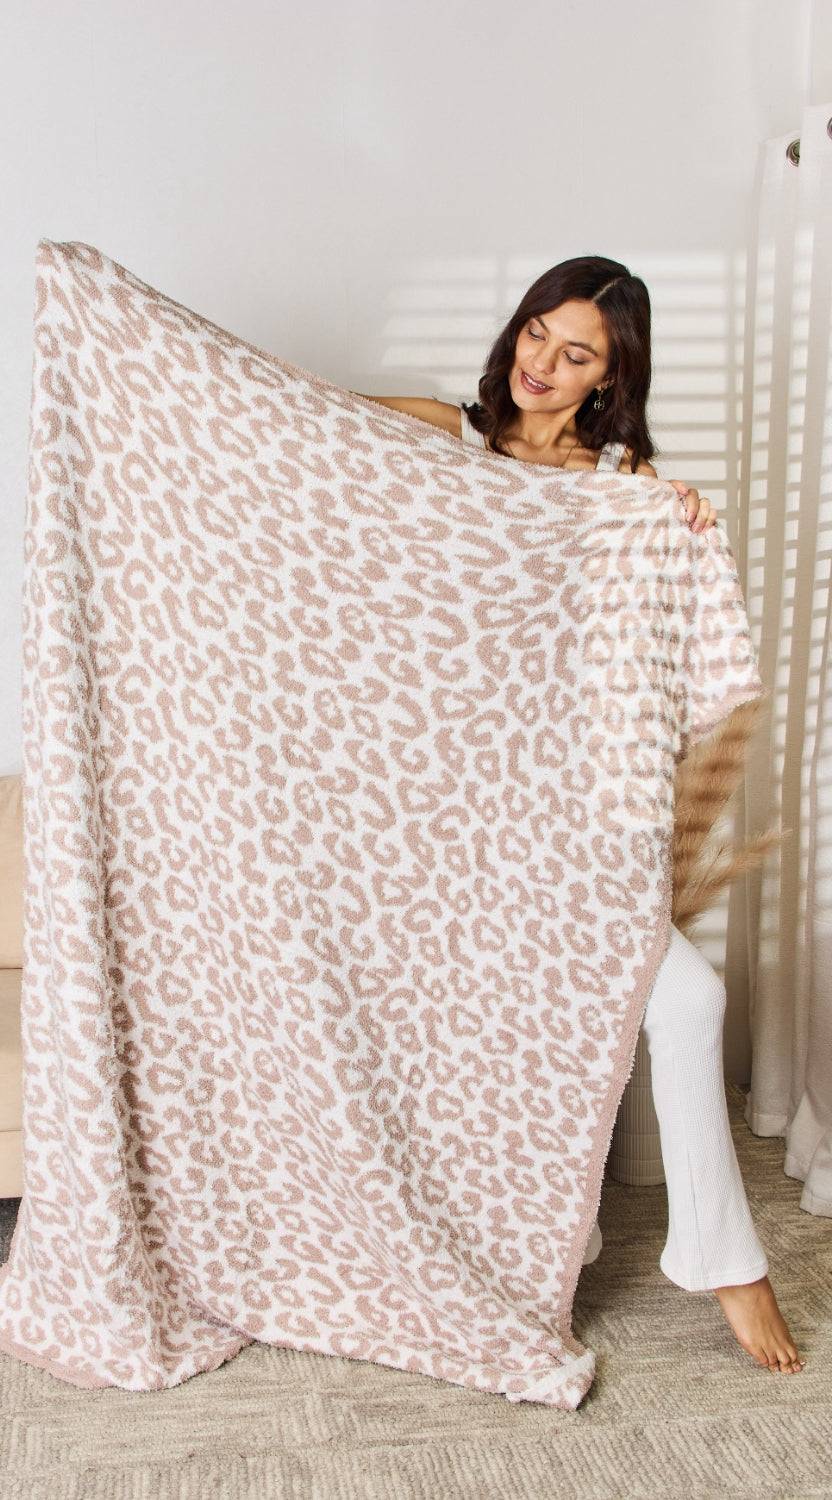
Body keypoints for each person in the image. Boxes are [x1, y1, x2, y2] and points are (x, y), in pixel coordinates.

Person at [364, 255, 803, 1376]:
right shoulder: (446, 437)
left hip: (575, 819)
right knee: (506, 1035)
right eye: (536, 337)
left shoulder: (625, 488)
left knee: (685, 999)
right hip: (462, 813)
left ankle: (721, 1256)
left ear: (612, 378)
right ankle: (660, 1253)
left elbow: (636, 658)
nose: (543, 369)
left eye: (577, 356)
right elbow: (306, 424)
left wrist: (676, 520)